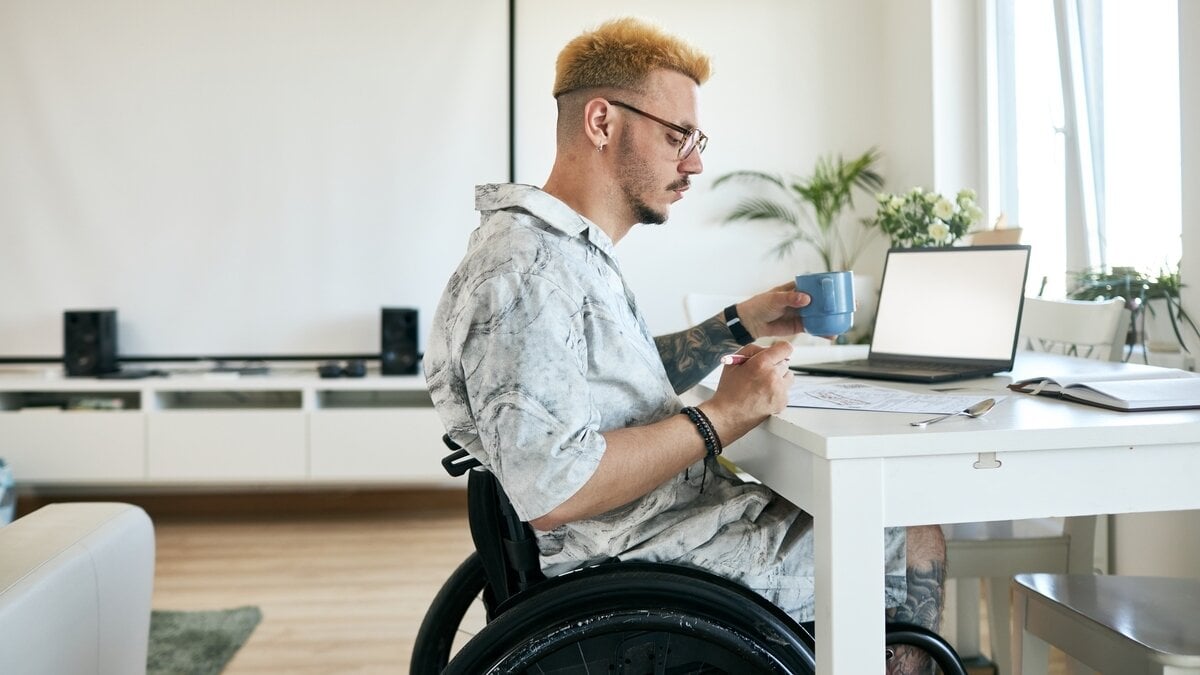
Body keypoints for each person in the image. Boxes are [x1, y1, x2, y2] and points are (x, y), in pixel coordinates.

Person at [425, 16, 945, 673]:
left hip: (669, 528)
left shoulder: (563, 254)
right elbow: (557, 486)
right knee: (905, 534)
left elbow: (612, 386)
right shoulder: (527, 267)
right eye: (678, 137)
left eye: (697, 139)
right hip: (645, 556)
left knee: (868, 512)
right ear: (602, 122)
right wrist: (725, 414)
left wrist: (741, 322)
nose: (695, 162)